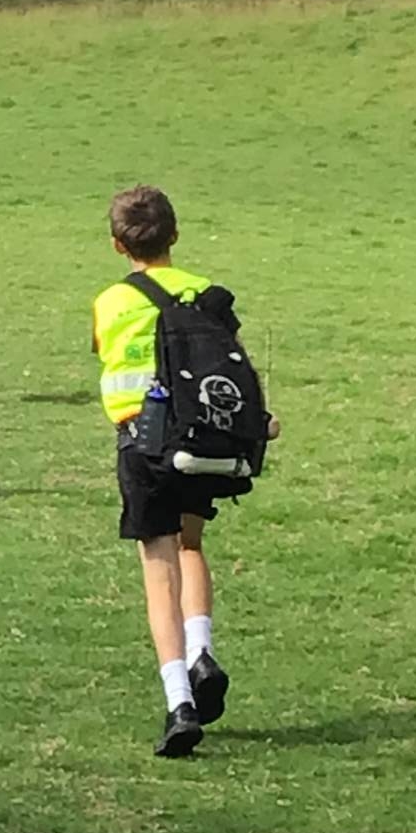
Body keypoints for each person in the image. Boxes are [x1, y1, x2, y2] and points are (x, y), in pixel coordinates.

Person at [92, 185, 277, 759]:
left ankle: (179, 701)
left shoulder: (111, 301)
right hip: (202, 440)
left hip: (143, 444)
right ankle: (202, 651)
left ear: (117, 244)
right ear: (175, 234)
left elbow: (105, 351)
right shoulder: (206, 292)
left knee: (158, 566)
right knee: (191, 544)